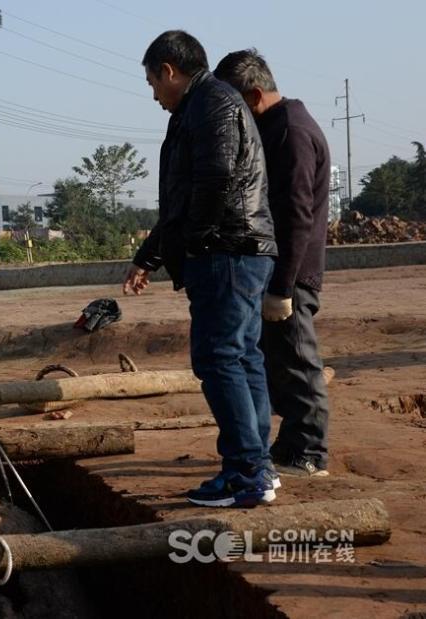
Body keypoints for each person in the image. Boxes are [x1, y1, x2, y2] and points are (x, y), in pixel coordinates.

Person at [122, 31, 279, 507]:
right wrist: (150, 255)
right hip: (238, 248)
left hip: (226, 251)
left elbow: (213, 183)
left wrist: (194, 246)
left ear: (168, 71)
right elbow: (182, 199)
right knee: (243, 356)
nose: (153, 95)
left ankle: (246, 473)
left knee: (219, 359)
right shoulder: (209, 103)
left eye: (152, 82)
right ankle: (258, 468)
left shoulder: (210, 104)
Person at [214, 49, 332, 478]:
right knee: (277, 361)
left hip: (292, 272)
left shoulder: (291, 133)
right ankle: (292, 443)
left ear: (255, 94)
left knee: (297, 360)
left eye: (234, 106)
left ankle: (310, 451)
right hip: (278, 269)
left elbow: (296, 215)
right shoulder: (277, 126)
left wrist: (283, 286)